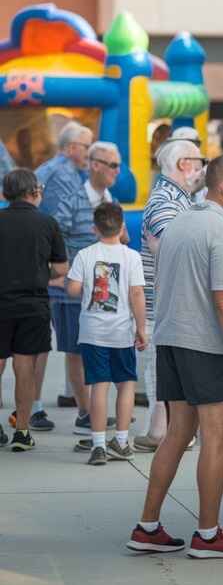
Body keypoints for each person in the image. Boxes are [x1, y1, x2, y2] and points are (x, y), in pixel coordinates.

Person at [127, 154, 223, 558]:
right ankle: (208, 534)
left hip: (170, 340)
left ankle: (147, 525)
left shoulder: (179, 223)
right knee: (215, 440)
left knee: (177, 434)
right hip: (206, 346)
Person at [133, 139, 202, 452]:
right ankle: (165, 430)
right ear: (184, 164)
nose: (201, 168)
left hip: (164, 300)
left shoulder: (171, 197)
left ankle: (163, 429)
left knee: (162, 367)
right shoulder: (166, 200)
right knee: (159, 368)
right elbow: (169, 246)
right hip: (161, 301)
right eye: (198, 161)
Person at [66, 203, 147, 466]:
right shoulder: (131, 256)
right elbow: (137, 294)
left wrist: (76, 283)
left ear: (94, 228)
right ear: (122, 226)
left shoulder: (85, 254)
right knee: (126, 384)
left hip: (92, 332)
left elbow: (73, 290)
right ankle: (121, 442)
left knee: (98, 386)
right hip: (121, 332)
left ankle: (98, 445)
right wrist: (141, 328)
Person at [0, 169, 68, 451]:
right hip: (33, 305)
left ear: (5, 194)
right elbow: (62, 268)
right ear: (34, 193)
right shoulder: (47, 223)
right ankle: (22, 431)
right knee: (24, 367)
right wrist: (41, 273)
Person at [36, 121, 96, 433]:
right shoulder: (62, 174)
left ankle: (35, 407)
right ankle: (38, 408)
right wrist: (58, 270)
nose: (89, 152)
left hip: (55, 270)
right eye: (86, 146)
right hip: (60, 274)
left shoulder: (57, 170)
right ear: (72, 147)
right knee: (60, 345)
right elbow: (56, 225)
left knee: (44, 345)